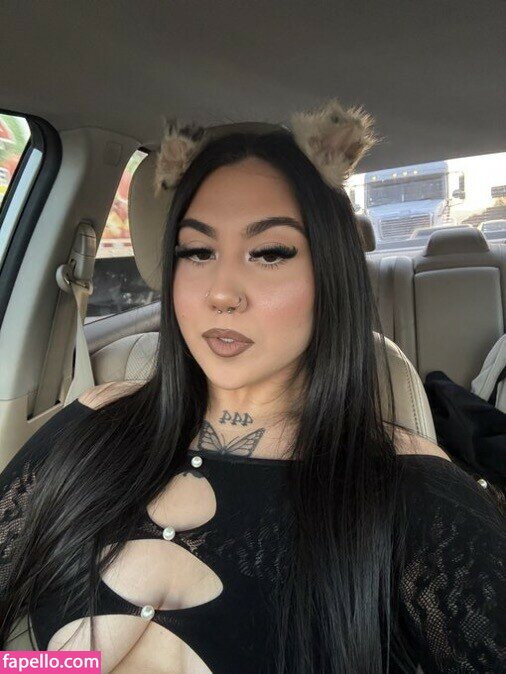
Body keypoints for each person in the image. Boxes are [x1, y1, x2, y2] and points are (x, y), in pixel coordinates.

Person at [1, 97, 504, 673]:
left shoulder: (406, 492)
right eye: (197, 251)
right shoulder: (93, 425)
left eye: (268, 253)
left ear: (331, 273)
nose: (221, 292)